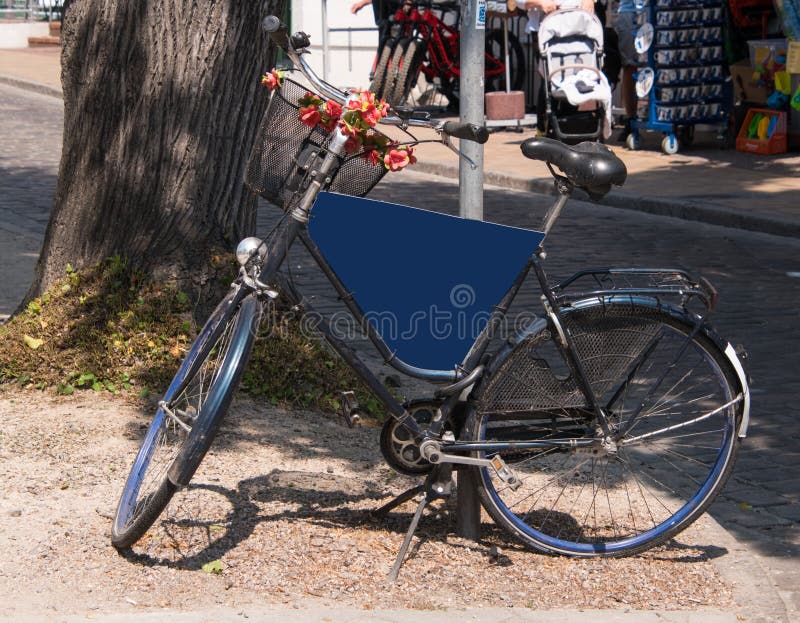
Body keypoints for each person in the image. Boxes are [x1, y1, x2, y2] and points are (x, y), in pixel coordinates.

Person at [520, 0, 596, 134]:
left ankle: (566, 129)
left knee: (574, 78)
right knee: (549, 81)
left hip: (576, 28)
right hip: (545, 30)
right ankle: (543, 129)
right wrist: (540, 2)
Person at [610, 0, 638, 141]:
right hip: (630, 12)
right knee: (630, 67)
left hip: (656, 10)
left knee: (660, 68)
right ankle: (631, 119)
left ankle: (664, 115)